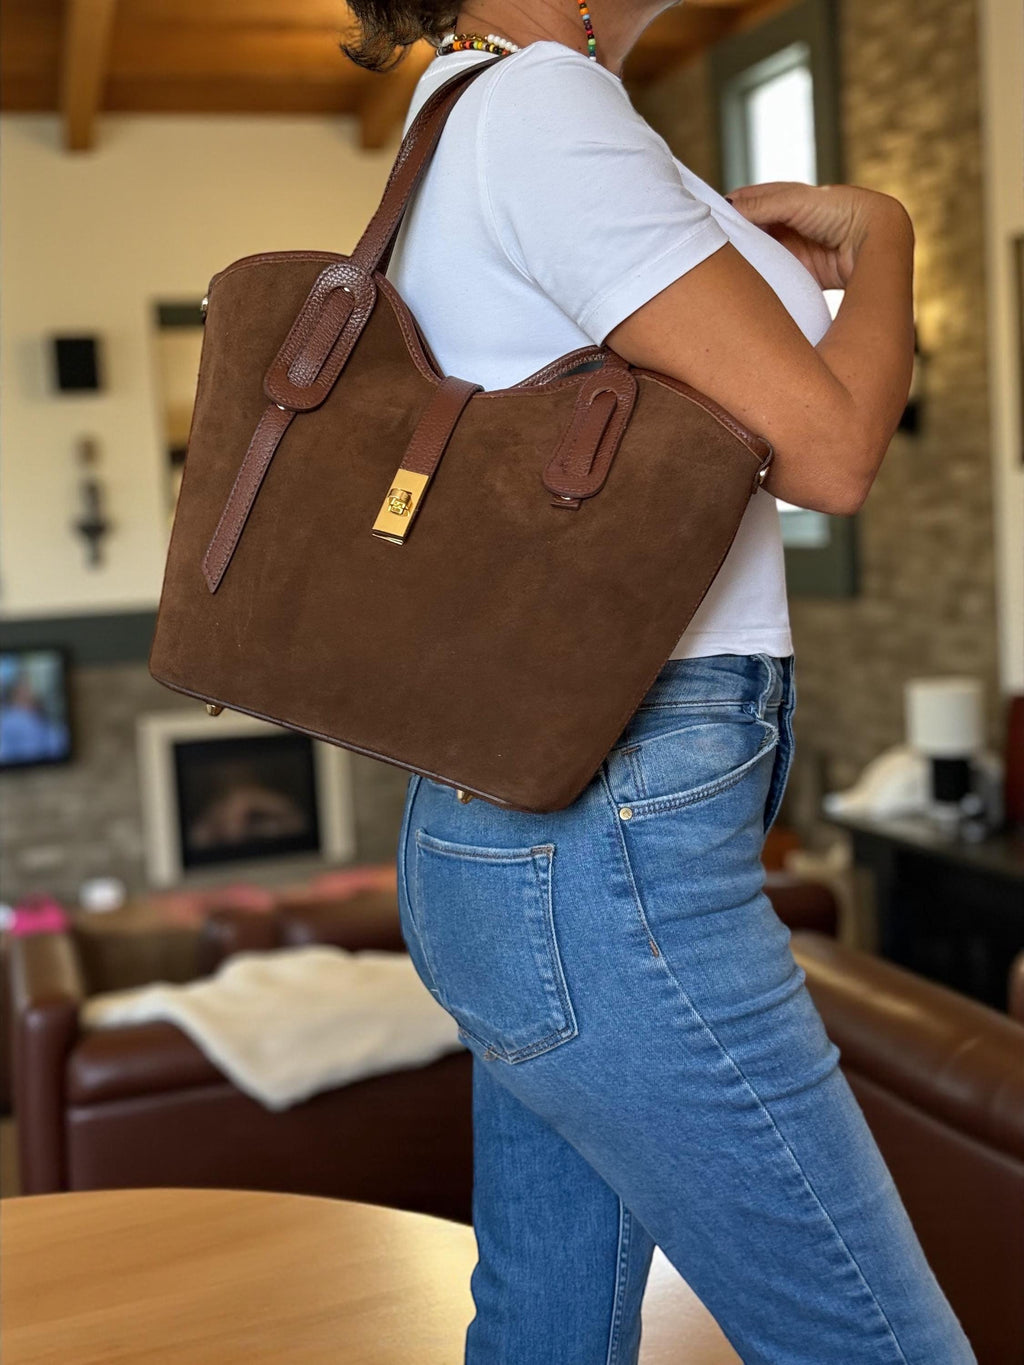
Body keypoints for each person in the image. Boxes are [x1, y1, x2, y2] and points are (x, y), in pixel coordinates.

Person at [345, 2, 977, 1361]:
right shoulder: (539, 110)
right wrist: (889, 241)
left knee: (546, 1331)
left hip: (519, 834)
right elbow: (830, 451)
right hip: (611, 859)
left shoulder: (470, 104)